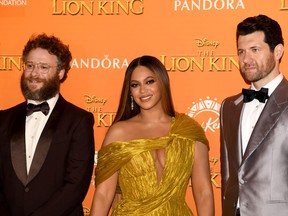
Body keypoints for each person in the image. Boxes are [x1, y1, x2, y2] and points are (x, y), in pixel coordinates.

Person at [89, 55, 214, 215]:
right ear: (130, 91)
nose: (143, 90)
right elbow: (103, 194)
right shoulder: (118, 133)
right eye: (135, 85)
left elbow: (203, 192)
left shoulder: (188, 130)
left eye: (149, 82)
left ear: (162, 82)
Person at [0, 33, 95, 216]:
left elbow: (76, 184)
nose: (34, 73)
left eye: (44, 67)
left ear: (60, 72)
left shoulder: (78, 121)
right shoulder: (3, 119)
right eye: (30, 66)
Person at [220, 14, 287, 216]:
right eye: (241, 52)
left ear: (278, 51)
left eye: (255, 50)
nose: (246, 59)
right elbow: (229, 174)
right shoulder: (229, 106)